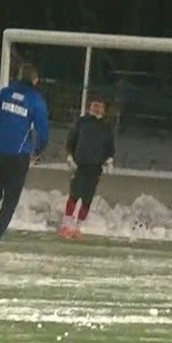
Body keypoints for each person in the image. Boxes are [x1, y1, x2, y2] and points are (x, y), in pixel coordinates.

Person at [0, 63, 49, 255]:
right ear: (35, 80)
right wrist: (38, 151)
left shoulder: (4, 93)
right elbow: (43, 132)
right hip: (19, 155)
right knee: (10, 200)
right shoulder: (36, 101)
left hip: (0, 152)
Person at [59, 96, 115, 239]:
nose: (97, 108)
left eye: (100, 106)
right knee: (74, 194)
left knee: (87, 198)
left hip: (95, 167)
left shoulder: (107, 127)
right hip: (80, 164)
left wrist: (109, 160)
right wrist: (70, 156)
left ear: (104, 109)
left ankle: (77, 227)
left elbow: (110, 146)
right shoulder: (81, 122)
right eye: (95, 105)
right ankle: (66, 225)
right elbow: (71, 139)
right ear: (90, 107)